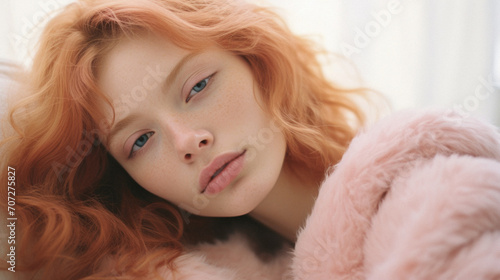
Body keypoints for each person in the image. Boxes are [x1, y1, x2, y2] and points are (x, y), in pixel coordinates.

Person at [0, 0, 374, 278]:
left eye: (198, 86)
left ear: (255, 59)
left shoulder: (418, 189)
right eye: (141, 141)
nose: (186, 142)